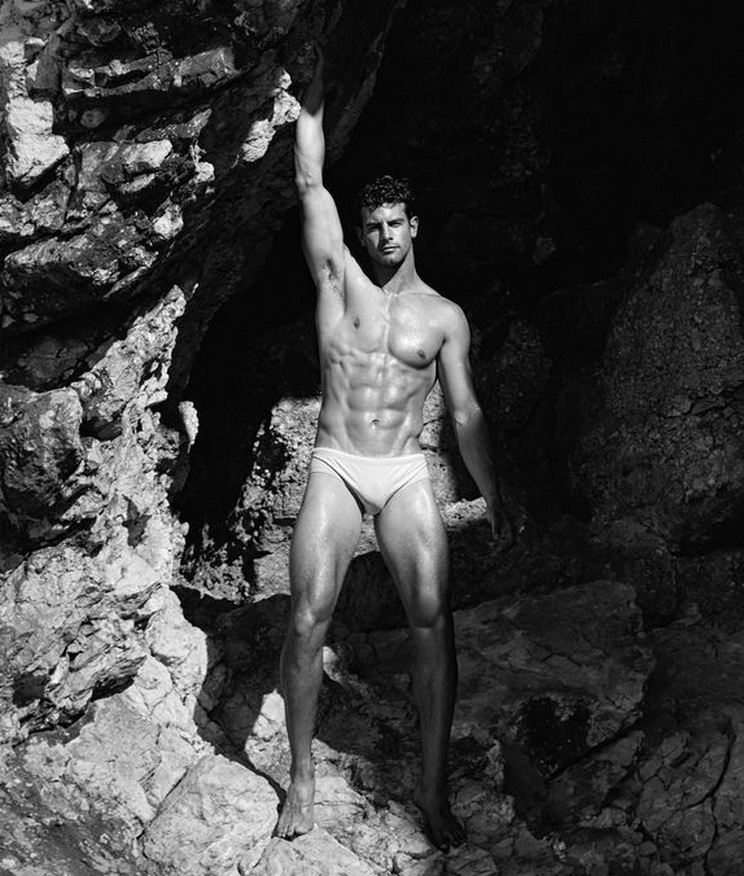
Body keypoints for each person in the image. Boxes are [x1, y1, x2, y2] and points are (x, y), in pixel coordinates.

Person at [276, 47, 510, 851]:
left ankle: (433, 796)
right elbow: (309, 181)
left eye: (393, 223)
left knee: (434, 624)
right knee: (307, 618)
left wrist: (494, 493)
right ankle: (301, 777)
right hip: (338, 464)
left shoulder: (444, 317)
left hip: (406, 470)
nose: (381, 235)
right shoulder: (336, 280)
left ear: (414, 227)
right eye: (370, 225)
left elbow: (466, 411)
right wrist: (314, 86)